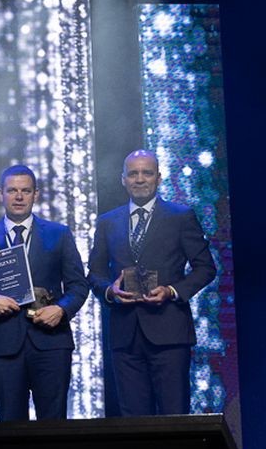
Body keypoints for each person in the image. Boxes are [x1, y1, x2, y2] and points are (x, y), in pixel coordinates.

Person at [87, 150, 216, 415]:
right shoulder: (108, 222)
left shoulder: (180, 216)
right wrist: (110, 292)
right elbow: (95, 273)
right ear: (123, 179)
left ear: (158, 178)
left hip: (169, 333)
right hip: (125, 336)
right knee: (134, 422)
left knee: (174, 416)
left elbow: (206, 268)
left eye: (146, 173)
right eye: (133, 173)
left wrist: (172, 291)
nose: (139, 179)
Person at [0, 165, 89, 421]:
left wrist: (61, 309)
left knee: (53, 428)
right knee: (10, 432)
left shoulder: (59, 234)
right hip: (3, 346)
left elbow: (78, 286)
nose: (19, 197)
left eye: (26, 191)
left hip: (51, 344)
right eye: (12, 191)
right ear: (1, 194)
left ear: (36, 194)